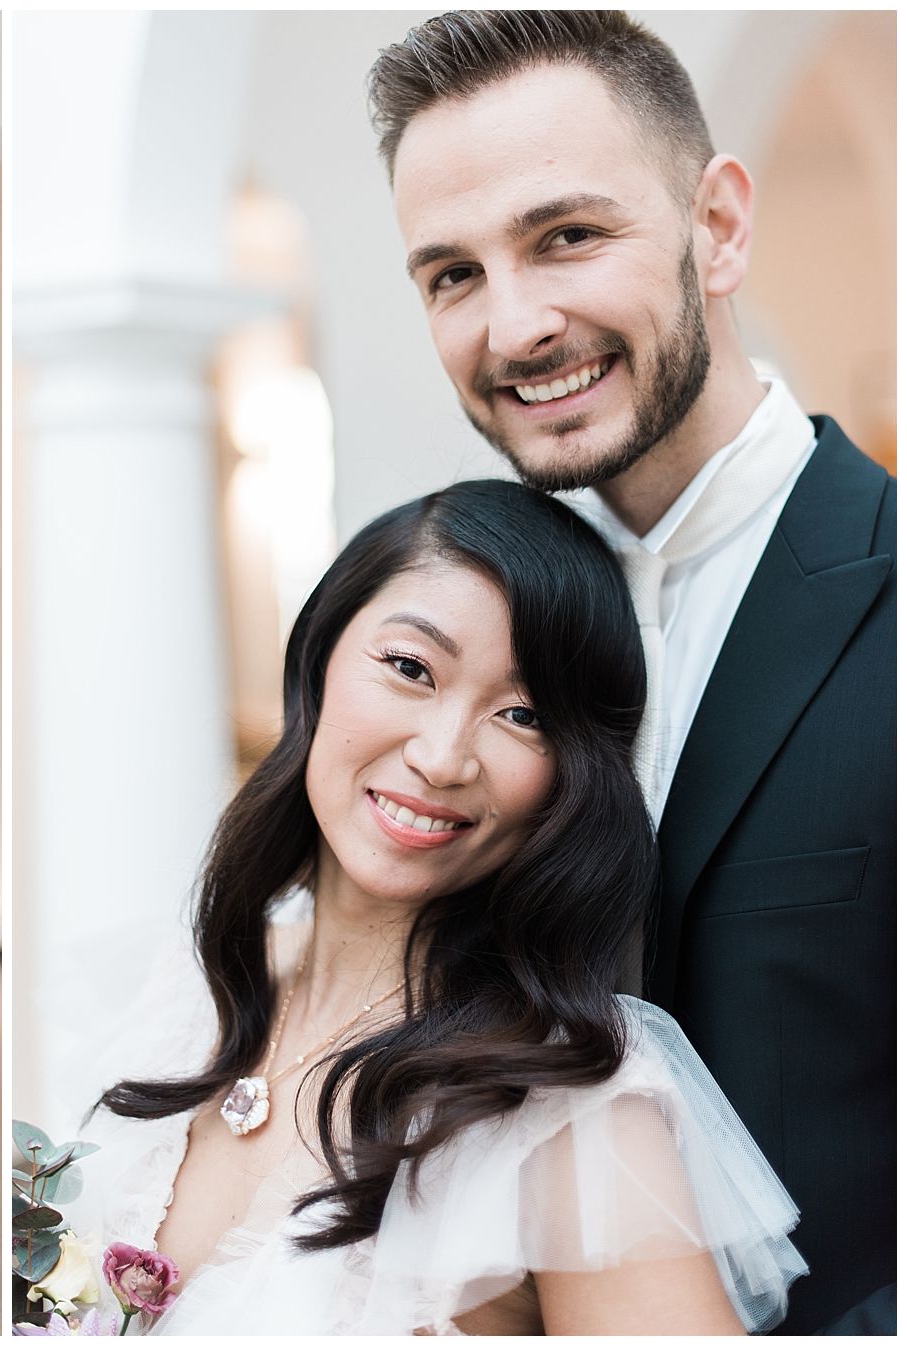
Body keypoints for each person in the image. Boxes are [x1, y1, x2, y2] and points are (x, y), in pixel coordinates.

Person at [370, 12, 894, 1332]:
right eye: (452, 273)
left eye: (567, 236)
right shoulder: (448, 641)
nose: (517, 323)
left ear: (717, 226)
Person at [75, 480, 802, 1335]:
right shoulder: (194, 986)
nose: (443, 756)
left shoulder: (565, 1116)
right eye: (411, 668)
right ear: (319, 658)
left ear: (573, 777)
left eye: (523, 714)